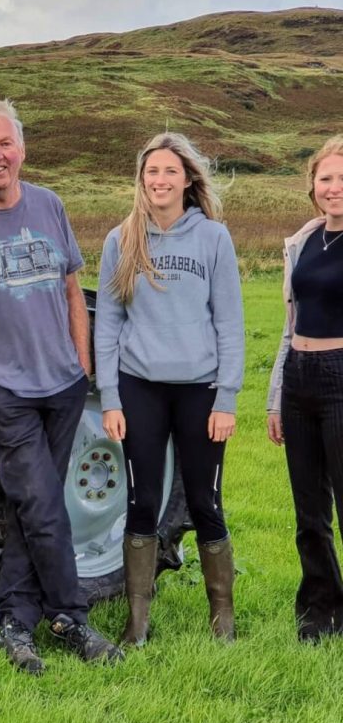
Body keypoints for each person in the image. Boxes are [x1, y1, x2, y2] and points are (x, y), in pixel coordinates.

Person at [0, 99, 124, 675]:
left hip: (60, 385)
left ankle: (14, 618)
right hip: (3, 390)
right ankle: (70, 615)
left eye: (3, 144)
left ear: (22, 149)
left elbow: (70, 292)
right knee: (40, 500)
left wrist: (79, 364)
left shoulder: (50, 205)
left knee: (24, 504)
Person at [95, 132, 244, 645]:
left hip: (200, 391)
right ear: (142, 180)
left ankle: (221, 620)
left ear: (187, 180)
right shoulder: (122, 239)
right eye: (151, 172)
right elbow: (107, 326)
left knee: (206, 501)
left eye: (169, 172)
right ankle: (137, 622)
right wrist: (111, 399)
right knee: (141, 501)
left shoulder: (213, 239)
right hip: (140, 390)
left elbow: (230, 323)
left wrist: (226, 398)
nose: (159, 181)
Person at [267, 135, 343, 642]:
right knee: (309, 510)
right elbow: (287, 323)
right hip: (299, 378)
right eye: (327, 178)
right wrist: (276, 394)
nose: (335, 188)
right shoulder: (303, 242)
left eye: (342, 179)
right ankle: (321, 610)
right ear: (312, 186)